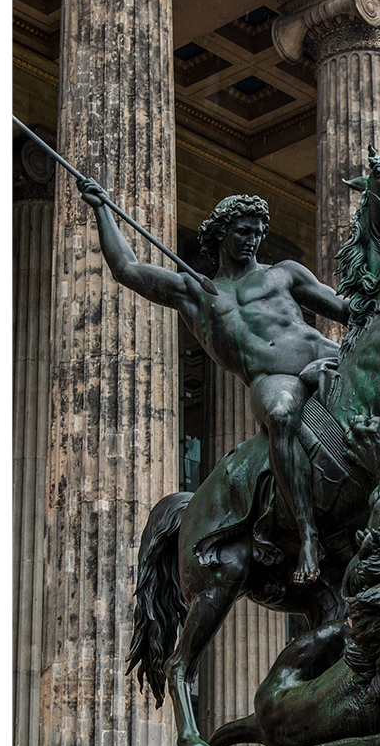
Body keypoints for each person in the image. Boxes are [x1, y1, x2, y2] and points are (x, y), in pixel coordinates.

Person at [81, 183, 351, 583]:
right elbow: (129, 271)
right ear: (220, 233)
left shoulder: (284, 273)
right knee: (279, 415)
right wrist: (103, 209)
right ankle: (308, 533)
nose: (252, 240)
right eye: (243, 231)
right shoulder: (198, 293)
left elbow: (344, 308)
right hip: (274, 378)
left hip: (326, 355)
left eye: (258, 232)